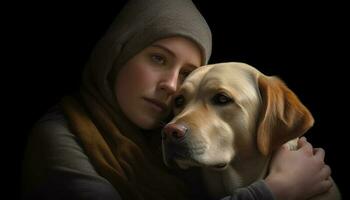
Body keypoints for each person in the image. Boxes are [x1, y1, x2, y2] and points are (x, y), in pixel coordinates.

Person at [21, 0, 332, 199]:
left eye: (187, 73)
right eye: (158, 59)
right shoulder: (59, 139)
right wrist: (276, 191)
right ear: (116, 55)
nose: (171, 86)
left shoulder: (163, 141)